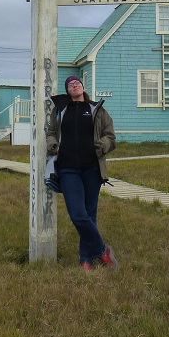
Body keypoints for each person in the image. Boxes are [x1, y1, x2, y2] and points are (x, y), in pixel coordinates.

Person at [46, 75, 118, 271]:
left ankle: (85, 259)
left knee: (90, 213)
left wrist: (102, 145)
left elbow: (110, 137)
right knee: (78, 214)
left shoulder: (97, 110)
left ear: (83, 87)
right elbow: (51, 132)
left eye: (77, 83)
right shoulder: (61, 110)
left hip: (92, 168)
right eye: (70, 84)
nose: (74, 85)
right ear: (67, 91)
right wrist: (53, 145)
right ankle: (102, 251)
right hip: (68, 169)